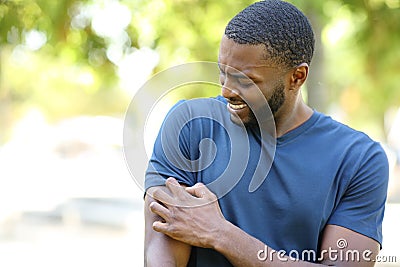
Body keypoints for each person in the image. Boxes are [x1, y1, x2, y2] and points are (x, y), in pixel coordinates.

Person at [144, 0, 389, 266]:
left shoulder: (359, 159)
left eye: (245, 80)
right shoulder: (190, 125)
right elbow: (162, 253)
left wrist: (222, 234)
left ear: (297, 77)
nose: (226, 90)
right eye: (223, 73)